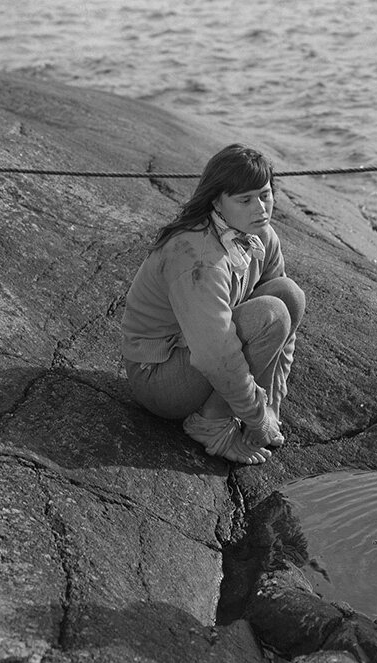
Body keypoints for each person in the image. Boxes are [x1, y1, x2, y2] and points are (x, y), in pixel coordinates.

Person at [121, 144, 305, 465]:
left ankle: (258, 407)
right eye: (244, 200)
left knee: (289, 295)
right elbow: (215, 353)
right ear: (216, 201)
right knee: (271, 315)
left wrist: (266, 406)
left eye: (265, 195)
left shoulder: (261, 235)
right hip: (159, 377)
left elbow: (282, 315)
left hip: (198, 352)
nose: (260, 208)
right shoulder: (200, 257)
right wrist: (254, 414)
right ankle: (213, 423)